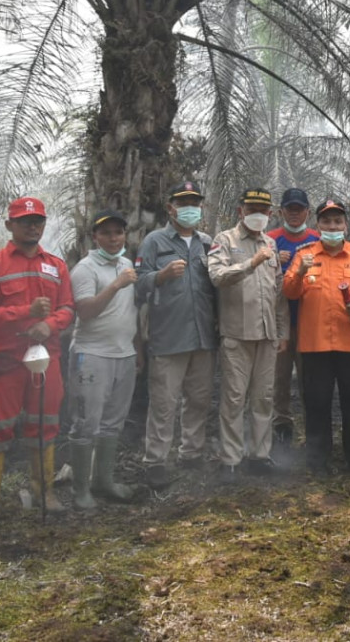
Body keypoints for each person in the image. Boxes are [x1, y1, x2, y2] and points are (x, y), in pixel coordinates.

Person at [0, 197, 75, 521]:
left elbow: (68, 308)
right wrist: (25, 313)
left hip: (46, 359)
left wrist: (49, 324)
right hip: (3, 360)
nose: (33, 227)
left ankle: (45, 492)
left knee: (44, 425)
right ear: (9, 225)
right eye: (25, 221)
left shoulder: (56, 266)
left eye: (38, 221)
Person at [282, 199, 350, 477]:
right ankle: (318, 460)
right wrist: (300, 271)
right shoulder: (305, 255)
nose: (332, 226)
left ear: (346, 225)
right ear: (318, 225)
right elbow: (289, 291)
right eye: (327, 222)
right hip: (315, 345)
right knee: (317, 403)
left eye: (337, 221)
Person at [134, 180, 218, 490]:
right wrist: (161, 275)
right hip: (168, 337)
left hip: (203, 336)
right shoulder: (154, 242)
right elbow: (138, 283)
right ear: (171, 208)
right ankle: (155, 460)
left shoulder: (208, 243)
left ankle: (191, 453)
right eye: (183, 204)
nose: (189, 209)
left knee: (198, 399)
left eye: (194, 203)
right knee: (164, 402)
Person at [207, 188, 289, 479]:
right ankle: (230, 459)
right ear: (240, 210)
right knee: (233, 398)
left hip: (267, 336)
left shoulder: (270, 243)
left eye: (263, 210)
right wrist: (250, 264)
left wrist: (282, 333)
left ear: (270, 214)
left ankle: (259, 455)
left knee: (263, 397)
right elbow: (217, 277)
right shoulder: (224, 240)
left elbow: (278, 293)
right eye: (252, 208)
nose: (258, 214)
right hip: (237, 335)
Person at [68, 210, 141, 510]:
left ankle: (104, 481)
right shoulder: (85, 269)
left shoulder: (126, 264)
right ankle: (81, 489)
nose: (113, 238)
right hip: (92, 355)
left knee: (113, 422)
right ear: (94, 237)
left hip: (124, 354)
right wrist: (115, 285)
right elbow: (84, 312)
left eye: (118, 233)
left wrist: (139, 350)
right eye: (106, 233)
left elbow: (131, 311)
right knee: (86, 423)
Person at [268, 188, 319, 445]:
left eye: (300, 209)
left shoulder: (318, 239)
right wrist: (274, 261)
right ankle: (281, 423)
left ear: (308, 212)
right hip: (279, 320)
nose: (295, 214)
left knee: (310, 376)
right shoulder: (270, 239)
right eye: (290, 209)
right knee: (280, 375)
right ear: (281, 212)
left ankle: (313, 424)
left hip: (310, 318)